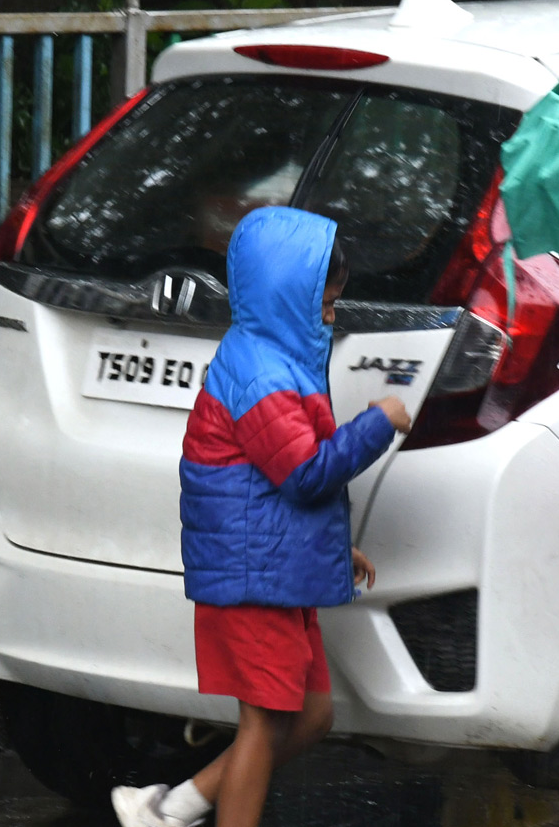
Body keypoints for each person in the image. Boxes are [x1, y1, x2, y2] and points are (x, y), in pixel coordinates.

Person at [111, 206, 412, 827]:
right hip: (255, 577)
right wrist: (377, 423)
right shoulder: (260, 375)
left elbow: (272, 484)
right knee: (267, 721)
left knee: (312, 715)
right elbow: (304, 474)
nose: (331, 317)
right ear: (287, 298)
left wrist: (332, 550)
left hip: (277, 569)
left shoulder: (277, 362)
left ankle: (169, 808)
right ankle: (175, 812)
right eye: (325, 304)